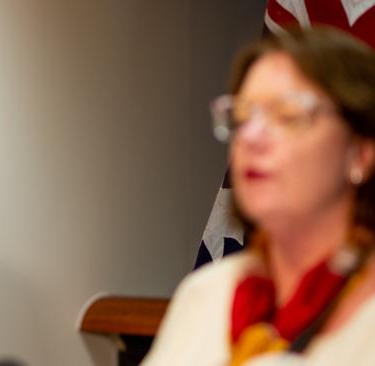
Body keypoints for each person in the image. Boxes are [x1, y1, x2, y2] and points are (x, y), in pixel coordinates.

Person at [141, 27, 375, 365]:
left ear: (360, 152)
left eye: (288, 115)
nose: (251, 137)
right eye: (242, 116)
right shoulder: (206, 293)